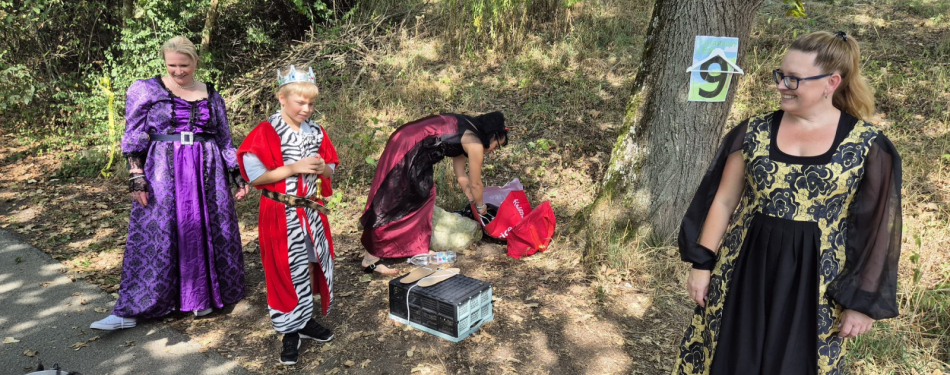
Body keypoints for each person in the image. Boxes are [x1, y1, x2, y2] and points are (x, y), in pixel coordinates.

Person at [673, 31, 902, 374]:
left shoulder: (869, 145)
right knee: (728, 359)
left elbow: (875, 232)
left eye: (793, 79)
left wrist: (862, 304)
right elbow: (722, 200)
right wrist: (702, 264)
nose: (781, 85)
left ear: (831, 82)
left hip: (818, 284)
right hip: (743, 268)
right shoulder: (753, 131)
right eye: (781, 75)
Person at [91, 36, 248, 331]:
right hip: (163, 167)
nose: (178, 71)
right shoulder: (146, 89)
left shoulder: (212, 94)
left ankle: (201, 297)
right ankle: (132, 308)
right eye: (172, 65)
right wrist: (136, 176)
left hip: (206, 169)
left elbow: (224, 138)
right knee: (158, 232)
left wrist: (236, 173)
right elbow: (134, 133)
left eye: (184, 65)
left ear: (195, 61)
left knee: (203, 227)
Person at [237, 65, 338, 366]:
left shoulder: (317, 131)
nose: (306, 109)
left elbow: (331, 168)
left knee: (309, 263)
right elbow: (257, 177)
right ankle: (288, 330)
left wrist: (322, 169)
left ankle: (304, 320)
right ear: (282, 98)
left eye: (311, 103)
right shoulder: (265, 132)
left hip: (311, 211)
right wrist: (294, 168)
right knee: (282, 269)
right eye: (300, 103)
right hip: (280, 211)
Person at [359, 112, 508, 275]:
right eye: (497, 145)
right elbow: (476, 182)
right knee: (393, 199)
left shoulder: (469, 130)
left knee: (424, 194)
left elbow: (461, 174)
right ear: (492, 135)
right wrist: (481, 206)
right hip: (409, 145)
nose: (493, 150)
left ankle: (415, 247)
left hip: (411, 143)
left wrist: (470, 195)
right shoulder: (475, 143)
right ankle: (370, 260)